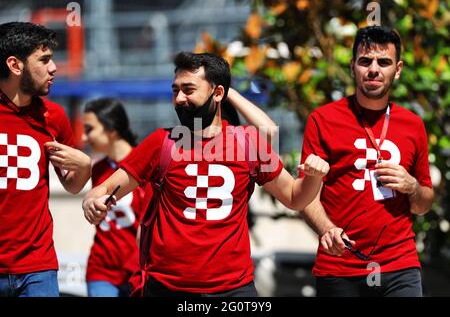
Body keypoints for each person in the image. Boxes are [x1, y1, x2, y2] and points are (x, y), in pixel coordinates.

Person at [82, 51, 329, 297]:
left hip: (233, 290)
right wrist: (93, 200)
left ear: (218, 93)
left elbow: (295, 197)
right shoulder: (161, 142)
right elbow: (104, 189)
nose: (179, 98)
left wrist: (314, 177)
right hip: (167, 289)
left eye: (188, 90)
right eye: (175, 90)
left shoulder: (249, 143)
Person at [300, 25, 434, 297]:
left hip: (400, 264)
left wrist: (412, 186)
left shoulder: (413, 125)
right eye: (365, 61)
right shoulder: (323, 120)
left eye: (383, 62)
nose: (373, 69)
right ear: (352, 67)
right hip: (339, 265)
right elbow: (306, 194)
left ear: (397, 69)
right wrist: (327, 229)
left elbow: (423, 204)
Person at [0, 22, 91, 297]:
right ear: (15, 65)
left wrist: (85, 167)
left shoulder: (55, 117)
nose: (54, 68)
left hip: (37, 268)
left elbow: (73, 186)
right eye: (45, 60)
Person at [82, 98, 149, 297]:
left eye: (90, 129)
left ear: (112, 129)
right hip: (101, 270)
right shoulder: (98, 169)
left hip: (137, 272)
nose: (85, 137)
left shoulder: (147, 165)